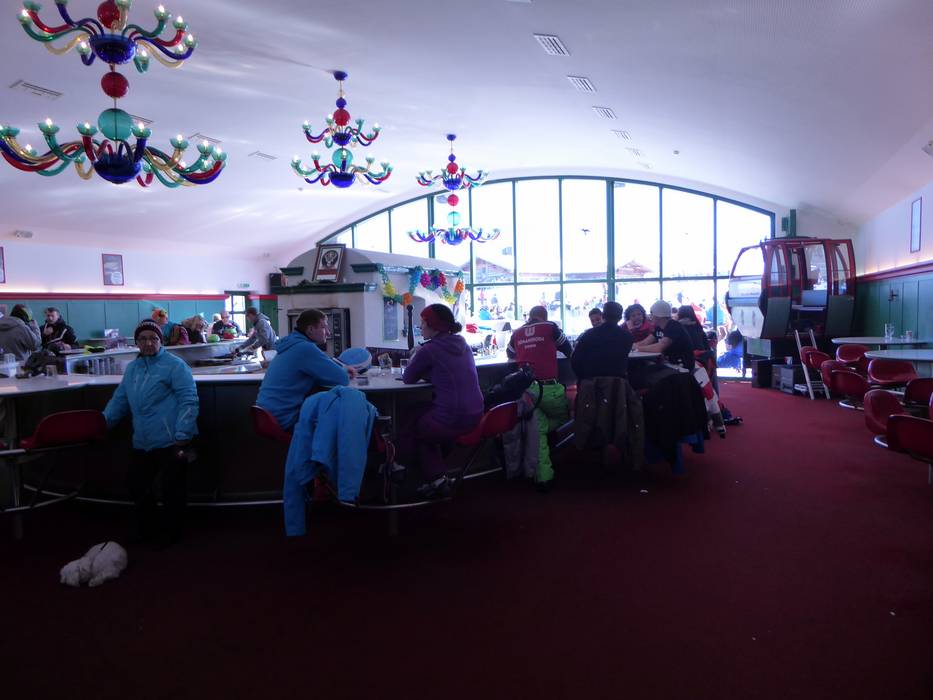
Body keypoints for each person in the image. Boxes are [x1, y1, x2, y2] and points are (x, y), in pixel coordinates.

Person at [103, 319, 199, 548]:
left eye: (153, 338)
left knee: (172, 489)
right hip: (143, 441)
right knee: (136, 484)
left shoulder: (174, 365)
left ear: (161, 341)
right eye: (143, 339)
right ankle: (149, 528)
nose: (148, 343)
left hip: (172, 440)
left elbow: (189, 399)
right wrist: (102, 423)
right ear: (136, 342)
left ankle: (171, 534)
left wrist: (183, 433)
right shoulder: (133, 369)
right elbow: (120, 400)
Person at [400, 304, 483, 499]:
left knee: (416, 425)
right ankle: (436, 479)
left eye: (423, 323)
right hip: (476, 415)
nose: (420, 327)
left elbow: (408, 378)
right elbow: (447, 370)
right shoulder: (462, 343)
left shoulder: (429, 350)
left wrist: (418, 358)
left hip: (452, 418)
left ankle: (402, 467)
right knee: (420, 417)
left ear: (434, 326)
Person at [507, 305, 574, 492]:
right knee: (573, 417)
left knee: (538, 429)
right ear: (544, 316)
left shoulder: (517, 332)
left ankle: (544, 478)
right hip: (550, 389)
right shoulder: (550, 327)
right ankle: (576, 466)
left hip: (528, 391)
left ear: (530, 316)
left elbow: (510, 355)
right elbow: (569, 350)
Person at [256, 308, 353, 432]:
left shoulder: (291, 344)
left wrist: (341, 368)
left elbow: (323, 364)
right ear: (311, 329)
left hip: (267, 416)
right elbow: (342, 379)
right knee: (344, 419)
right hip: (285, 419)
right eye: (324, 327)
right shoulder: (305, 348)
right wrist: (345, 371)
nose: (328, 333)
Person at [572, 302, 633, 380]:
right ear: (620, 318)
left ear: (603, 316)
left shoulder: (588, 334)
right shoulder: (627, 336)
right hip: (618, 383)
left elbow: (575, 360)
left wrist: (582, 379)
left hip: (590, 382)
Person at [635, 300, 695, 369]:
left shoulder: (674, 326)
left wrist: (637, 348)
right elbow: (645, 342)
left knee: (641, 372)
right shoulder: (659, 327)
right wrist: (631, 346)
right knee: (639, 368)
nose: (650, 316)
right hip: (669, 364)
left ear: (659, 315)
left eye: (652, 313)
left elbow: (658, 348)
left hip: (682, 367)